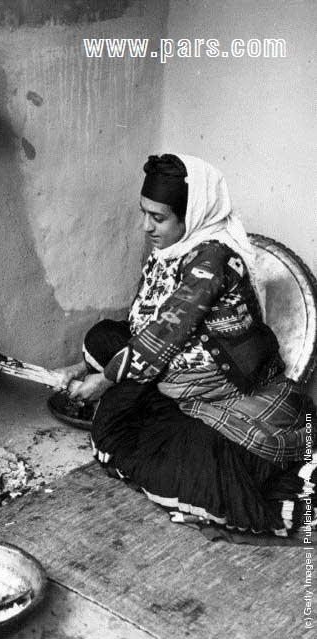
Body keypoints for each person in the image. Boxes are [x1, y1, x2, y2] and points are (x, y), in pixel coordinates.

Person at [54, 153, 316, 541]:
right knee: (102, 337)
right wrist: (83, 368)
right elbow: (139, 322)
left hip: (221, 387)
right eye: (144, 214)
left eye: (158, 218)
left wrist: (103, 381)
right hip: (175, 373)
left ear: (189, 216)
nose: (146, 227)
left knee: (141, 447)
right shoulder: (170, 254)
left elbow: (162, 332)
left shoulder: (210, 260)